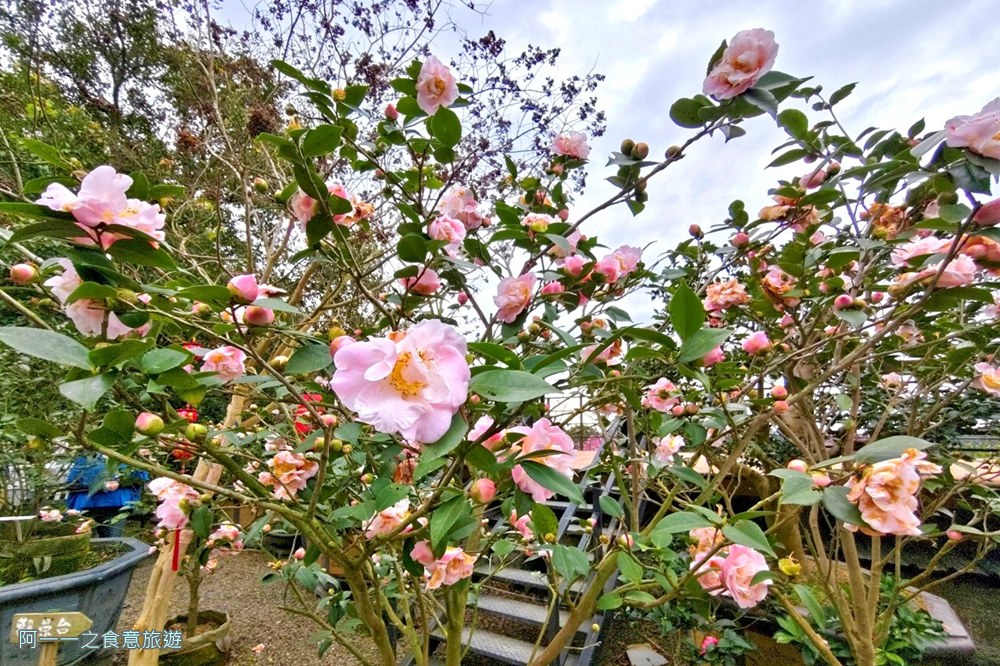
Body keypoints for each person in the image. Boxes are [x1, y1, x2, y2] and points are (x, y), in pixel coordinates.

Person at [64, 455, 147, 538]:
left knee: (112, 542)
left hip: (115, 508)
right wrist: (100, 486)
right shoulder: (86, 459)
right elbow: (71, 484)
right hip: (86, 508)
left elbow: (141, 479)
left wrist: (119, 483)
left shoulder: (128, 457)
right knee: (83, 540)